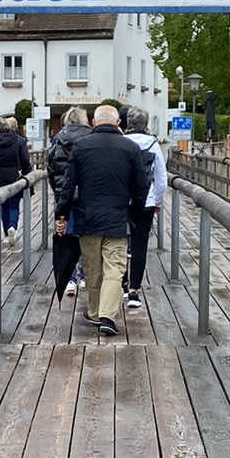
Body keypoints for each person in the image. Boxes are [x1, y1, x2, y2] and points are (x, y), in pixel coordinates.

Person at [53, 103, 150, 337]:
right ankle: (107, 316)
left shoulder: (81, 147)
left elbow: (68, 185)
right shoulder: (131, 147)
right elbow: (142, 186)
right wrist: (134, 212)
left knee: (93, 269)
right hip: (117, 218)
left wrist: (61, 215)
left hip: (88, 218)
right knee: (114, 269)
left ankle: (96, 313)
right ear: (118, 123)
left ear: (94, 122)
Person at [121, 106, 168, 310]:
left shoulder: (121, 142)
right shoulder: (153, 144)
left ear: (128, 122)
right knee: (140, 244)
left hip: (122, 200)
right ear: (146, 123)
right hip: (146, 201)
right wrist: (157, 202)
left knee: (119, 243)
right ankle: (134, 290)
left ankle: (122, 283)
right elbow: (161, 178)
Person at [48, 106, 89, 294]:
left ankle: (70, 279)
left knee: (68, 234)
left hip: (65, 194)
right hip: (88, 194)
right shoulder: (91, 138)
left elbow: (51, 169)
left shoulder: (57, 140)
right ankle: (85, 276)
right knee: (87, 236)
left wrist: (58, 191)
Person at [0, 115, 32, 242]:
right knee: (14, 204)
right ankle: (13, 226)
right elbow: (25, 159)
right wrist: (27, 173)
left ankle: (6, 232)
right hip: (14, 174)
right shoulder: (18, 141)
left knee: (3, 204)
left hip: (0, 175)